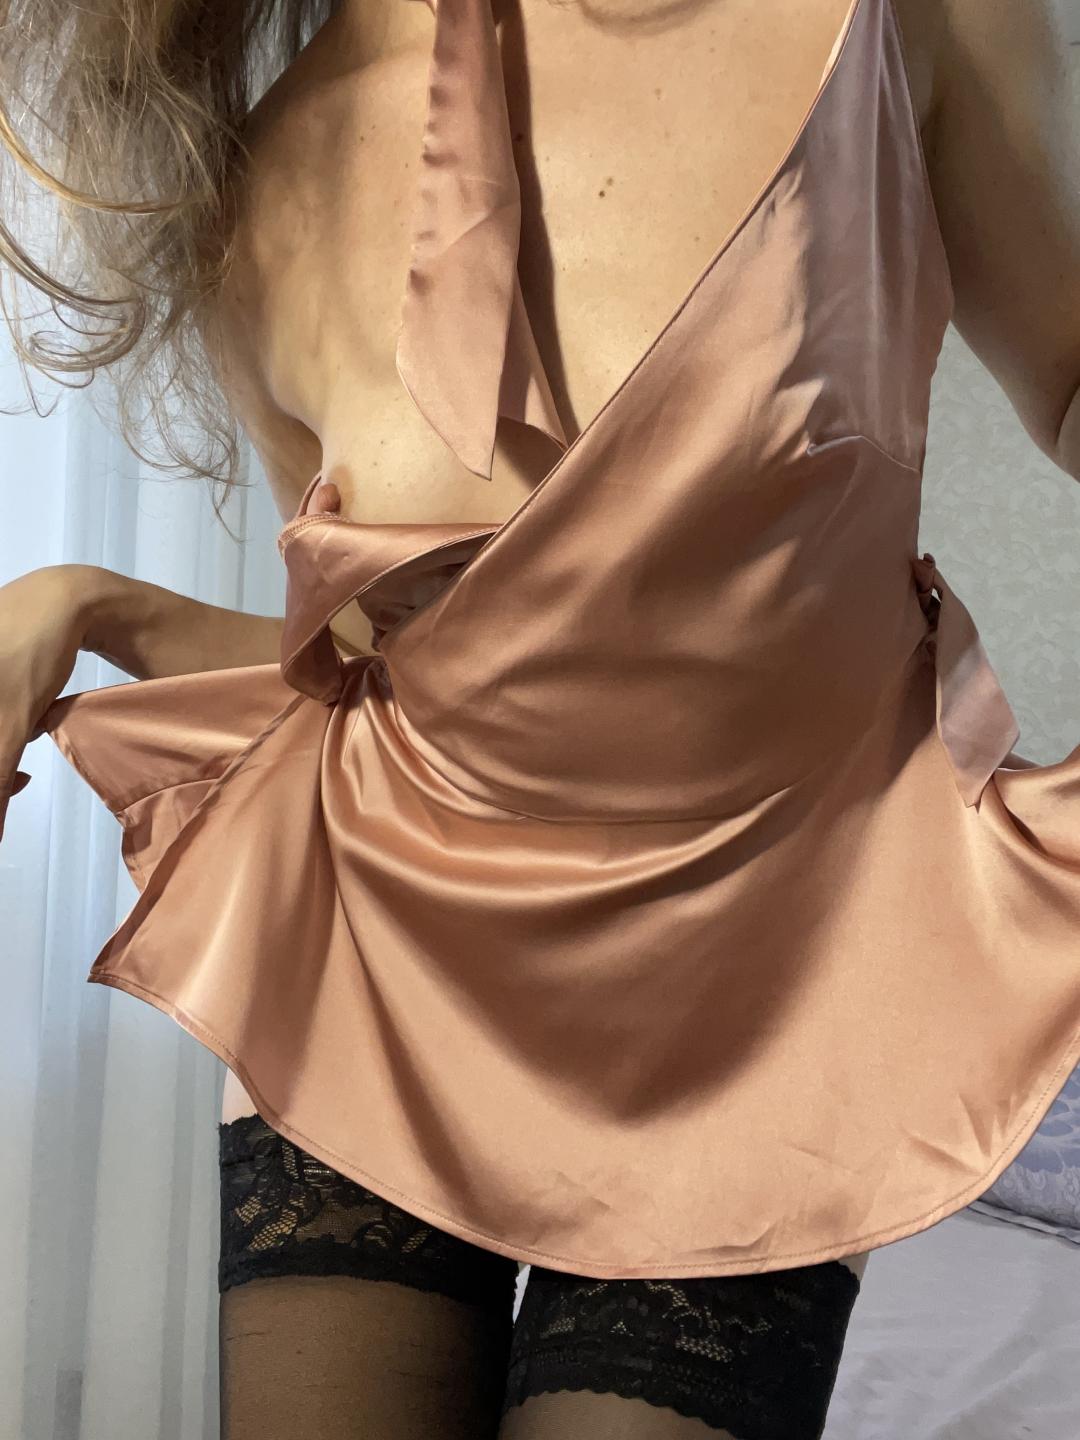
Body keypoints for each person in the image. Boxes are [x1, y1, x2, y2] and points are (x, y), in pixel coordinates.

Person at [1, 0, 1078, 1435]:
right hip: (387, 961)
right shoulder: (273, 173)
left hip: (776, 980)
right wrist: (83, 603)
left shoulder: (908, 25)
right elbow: (399, 674)